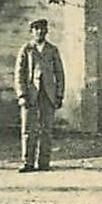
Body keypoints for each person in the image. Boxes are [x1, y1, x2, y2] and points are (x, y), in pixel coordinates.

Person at [14, 18, 64, 172]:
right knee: (28, 129)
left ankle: (44, 163)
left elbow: (60, 73)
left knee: (46, 130)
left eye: (42, 28)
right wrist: (22, 95)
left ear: (47, 31)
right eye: (36, 29)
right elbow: (19, 73)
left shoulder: (52, 50)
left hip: (48, 95)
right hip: (31, 95)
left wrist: (59, 95)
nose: (39, 31)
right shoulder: (26, 49)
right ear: (31, 31)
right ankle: (27, 162)